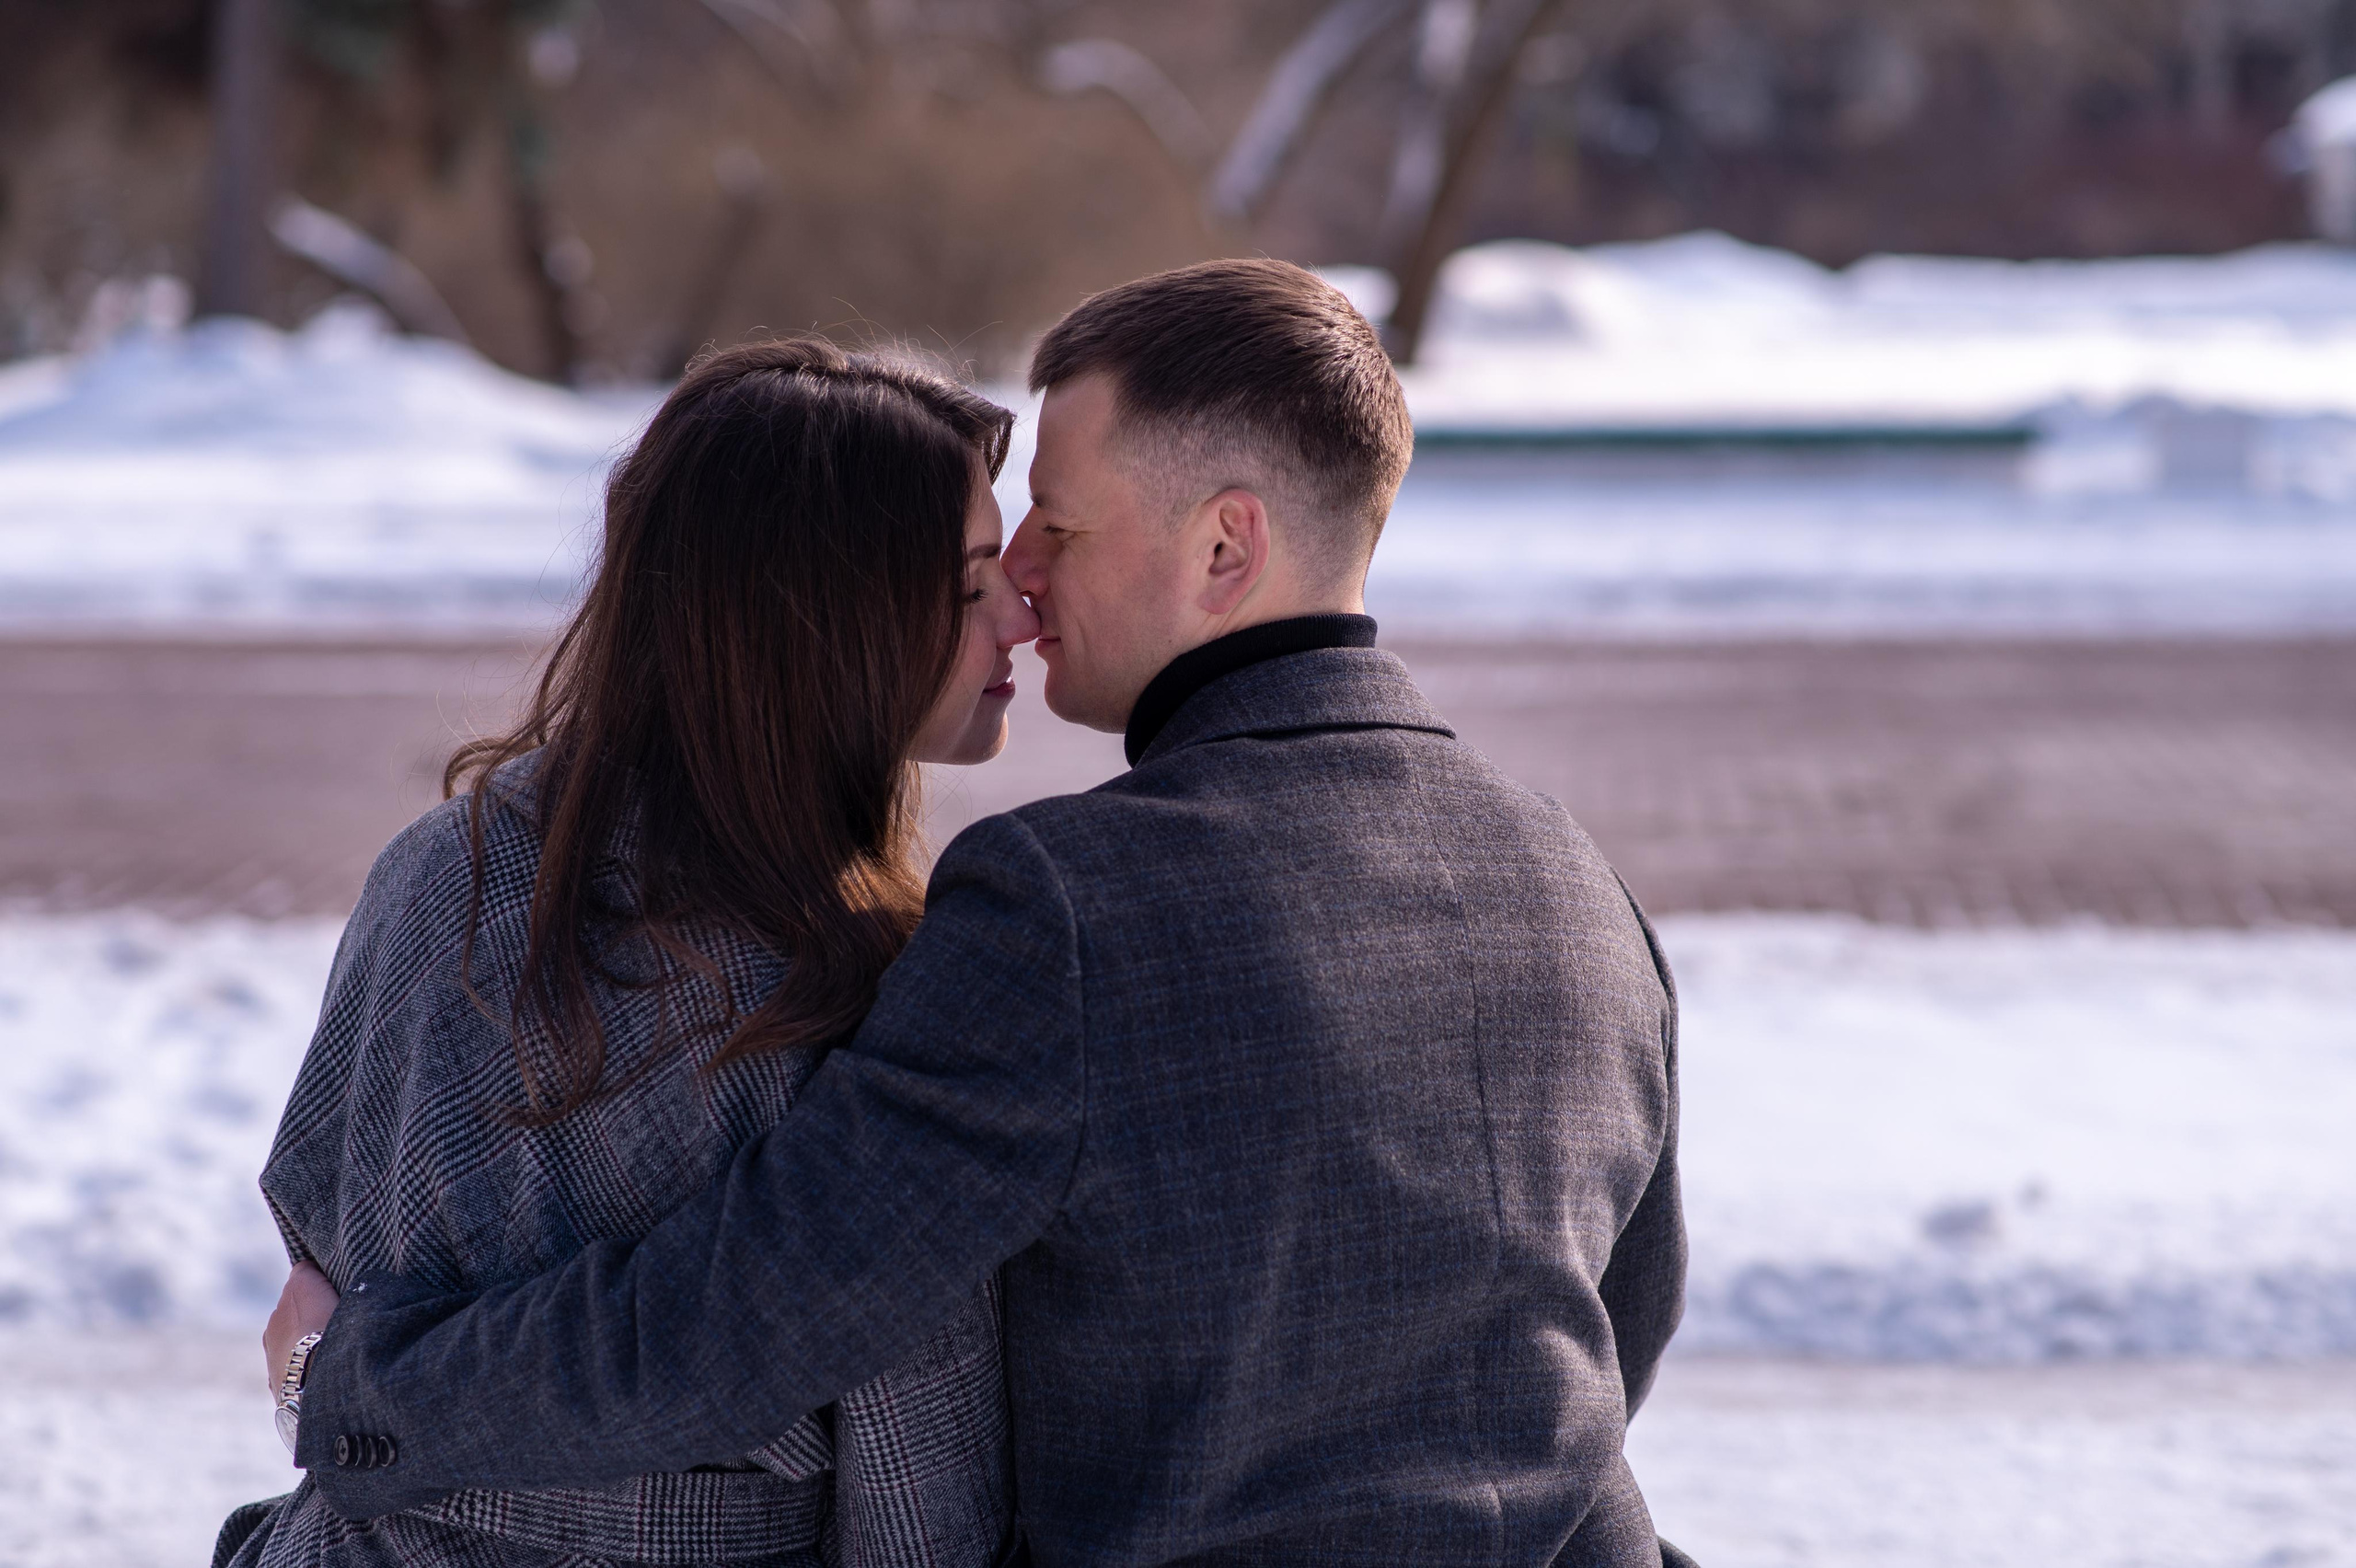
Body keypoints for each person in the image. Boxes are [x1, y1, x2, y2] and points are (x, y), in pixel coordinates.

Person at [268, 259, 1689, 1566]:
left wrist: (358, 1391)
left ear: (1224, 548)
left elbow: (749, 1318)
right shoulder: (1577, 885)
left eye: (1055, 531)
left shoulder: (1059, 905)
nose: (1025, 584)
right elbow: (1618, 1329)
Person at [223, 339, 1042, 1568]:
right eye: (971, 584)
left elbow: (311, 1297)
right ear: (830, 620)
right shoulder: (851, 990)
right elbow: (921, 1485)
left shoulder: (441, 871)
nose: (1019, 614)